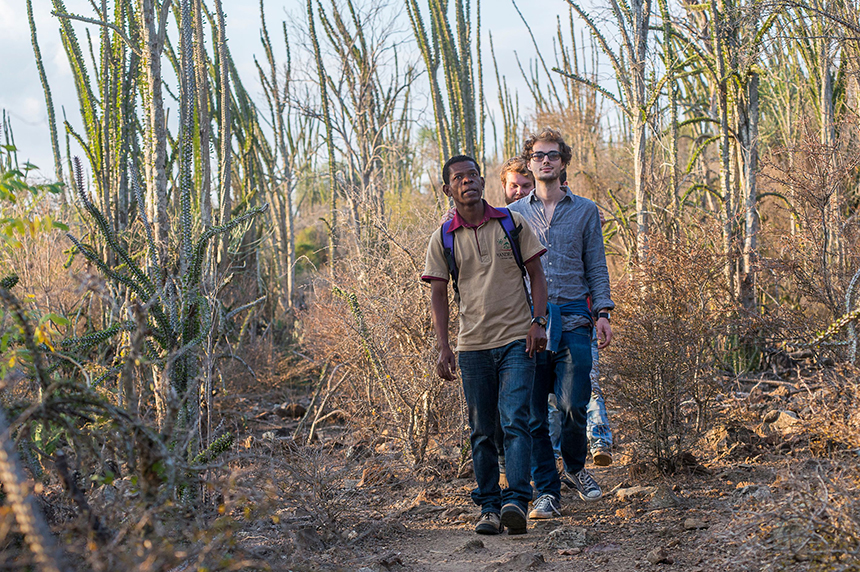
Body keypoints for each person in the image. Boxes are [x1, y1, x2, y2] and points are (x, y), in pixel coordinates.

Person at [422, 155, 549, 535]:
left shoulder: (511, 223)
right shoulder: (443, 238)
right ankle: (489, 508)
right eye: (459, 178)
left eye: (473, 175)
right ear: (447, 189)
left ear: (482, 181)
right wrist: (444, 346)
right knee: (481, 430)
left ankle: (516, 502)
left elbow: (537, 275)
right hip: (472, 346)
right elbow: (438, 295)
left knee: (515, 421)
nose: (468, 182)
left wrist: (538, 322)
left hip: (517, 340)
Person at [507, 129, 615, 520]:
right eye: (538, 156)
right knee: (535, 413)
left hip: (574, 318)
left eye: (552, 155)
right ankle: (546, 492)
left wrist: (603, 312)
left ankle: (574, 466)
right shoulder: (513, 215)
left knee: (574, 402)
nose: (545, 161)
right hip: (529, 321)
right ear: (530, 162)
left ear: (563, 162)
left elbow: (596, 265)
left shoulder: (585, 210)